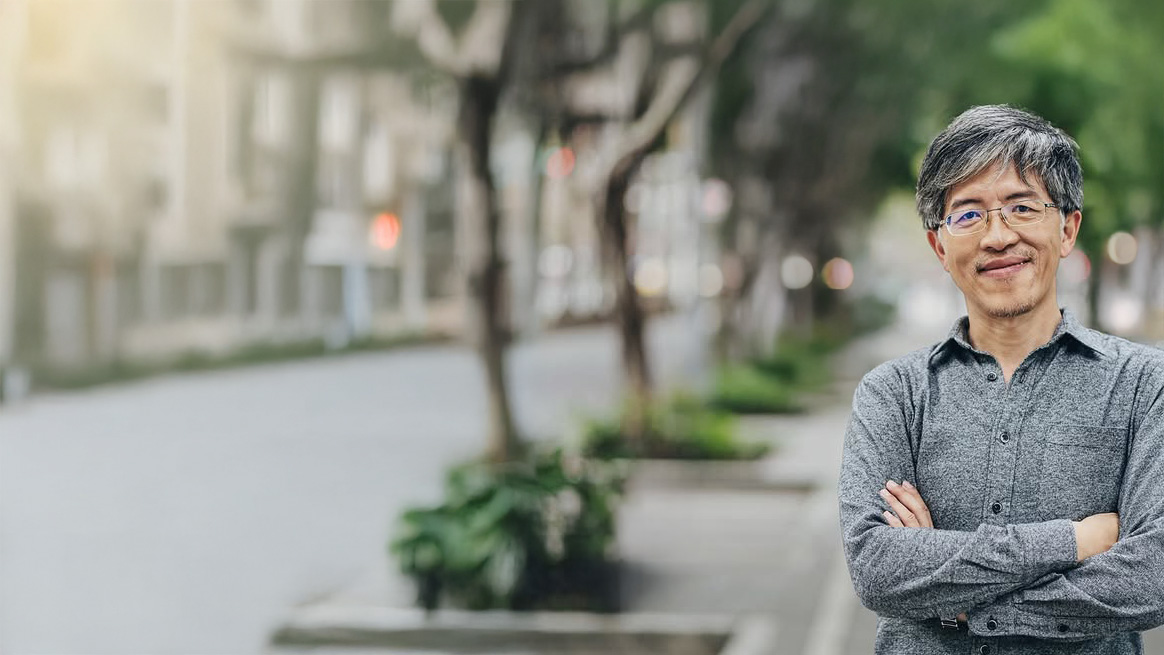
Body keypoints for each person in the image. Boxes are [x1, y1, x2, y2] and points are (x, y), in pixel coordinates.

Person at [838, 104, 1164, 654]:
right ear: (940, 247)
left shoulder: (1144, 385)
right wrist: (1075, 540)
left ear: (1067, 228)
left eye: (1021, 206)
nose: (997, 236)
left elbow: (1151, 574)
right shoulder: (891, 393)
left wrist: (954, 598)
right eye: (968, 214)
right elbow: (876, 567)